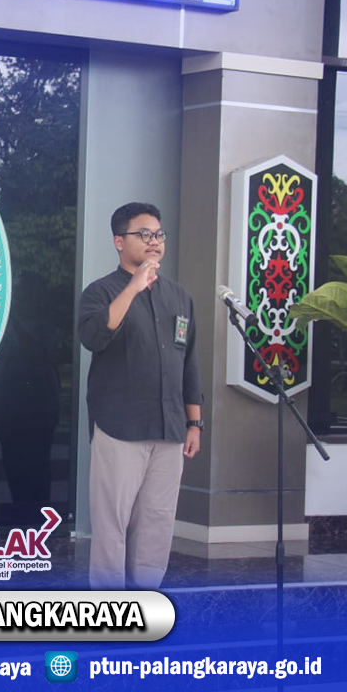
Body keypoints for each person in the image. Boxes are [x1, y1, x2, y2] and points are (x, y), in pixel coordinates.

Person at [79, 202, 203, 590]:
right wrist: (133, 287)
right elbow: (94, 336)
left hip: (170, 427)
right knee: (112, 524)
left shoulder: (179, 297)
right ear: (119, 241)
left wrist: (195, 422)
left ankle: (146, 600)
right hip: (120, 425)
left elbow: (189, 361)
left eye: (158, 234)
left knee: (157, 522)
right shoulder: (101, 291)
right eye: (143, 234)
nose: (154, 241)